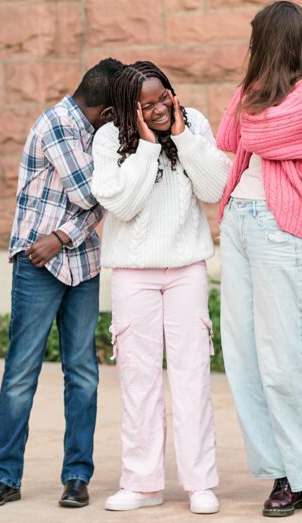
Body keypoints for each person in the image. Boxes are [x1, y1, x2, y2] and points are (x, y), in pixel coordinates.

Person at [214, 0, 302, 517]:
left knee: (288, 355)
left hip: (281, 224)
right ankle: (283, 477)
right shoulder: (260, 89)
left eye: (255, 42)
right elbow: (231, 137)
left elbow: (261, 134)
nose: (249, 50)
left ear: (274, 40)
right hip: (239, 222)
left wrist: (258, 111)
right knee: (247, 355)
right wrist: (253, 81)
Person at [0, 58, 123, 510]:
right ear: (107, 109)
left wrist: (62, 236)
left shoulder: (97, 133)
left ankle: (77, 476)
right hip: (37, 267)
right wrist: (113, 182)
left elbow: (105, 199)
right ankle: (5, 477)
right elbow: (92, 193)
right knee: (21, 372)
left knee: (83, 373)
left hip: (81, 263)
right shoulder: (56, 124)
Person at [91, 61, 230, 515]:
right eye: (145, 106)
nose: (158, 110)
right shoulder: (110, 140)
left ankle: (199, 483)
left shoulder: (196, 126)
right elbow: (122, 206)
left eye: (163, 99)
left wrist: (185, 138)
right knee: (138, 382)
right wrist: (148, 147)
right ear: (130, 110)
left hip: (186, 268)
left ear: (173, 92)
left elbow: (214, 188)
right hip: (134, 274)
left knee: (192, 380)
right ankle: (142, 482)